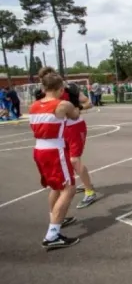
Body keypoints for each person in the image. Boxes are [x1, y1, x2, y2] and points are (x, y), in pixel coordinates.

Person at [29, 70, 82, 250]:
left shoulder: (33, 105)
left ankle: (56, 218)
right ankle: (52, 234)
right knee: (69, 188)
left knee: (55, 186)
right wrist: (75, 100)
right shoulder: (62, 104)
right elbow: (75, 115)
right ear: (60, 89)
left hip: (39, 149)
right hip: (55, 150)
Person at [36, 68, 99, 209]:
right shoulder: (42, 94)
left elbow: (89, 102)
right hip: (59, 130)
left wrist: (78, 108)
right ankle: (74, 187)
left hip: (75, 127)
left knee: (74, 160)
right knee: (64, 162)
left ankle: (90, 191)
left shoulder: (70, 88)